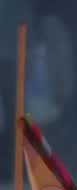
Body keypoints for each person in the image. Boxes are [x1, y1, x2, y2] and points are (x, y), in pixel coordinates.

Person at [0, 0, 35, 170]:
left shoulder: (15, 7)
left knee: (14, 111)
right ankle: (14, 160)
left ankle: (16, 161)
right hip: (11, 60)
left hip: (12, 60)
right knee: (13, 111)